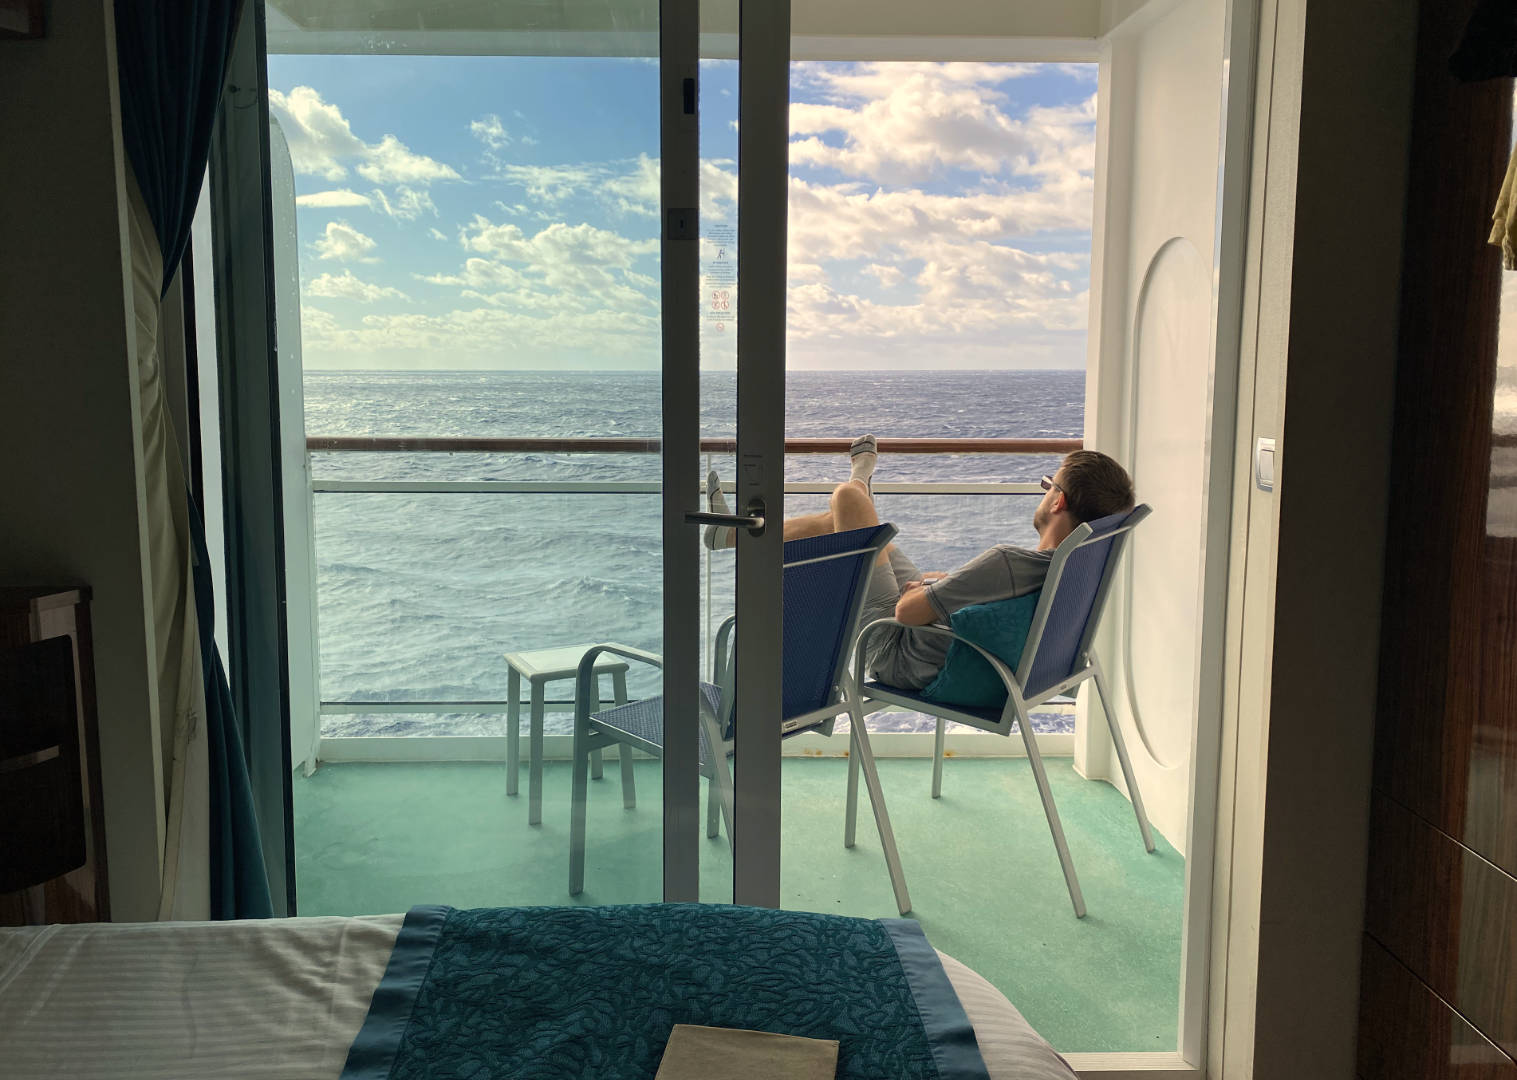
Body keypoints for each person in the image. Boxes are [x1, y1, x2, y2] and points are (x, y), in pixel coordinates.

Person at [703, 437, 1136, 690]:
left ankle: (860, 481)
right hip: (956, 646)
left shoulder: (1007, 562)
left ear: (1057, 500)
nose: (1043, 492)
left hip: (897, 647)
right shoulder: (1069, 565)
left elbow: (905, 613)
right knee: (847, 525)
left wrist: (926, 596)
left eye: (1047, 485)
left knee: (847, 501)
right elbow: (996, 599)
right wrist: (946, 589)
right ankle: (732, 536)